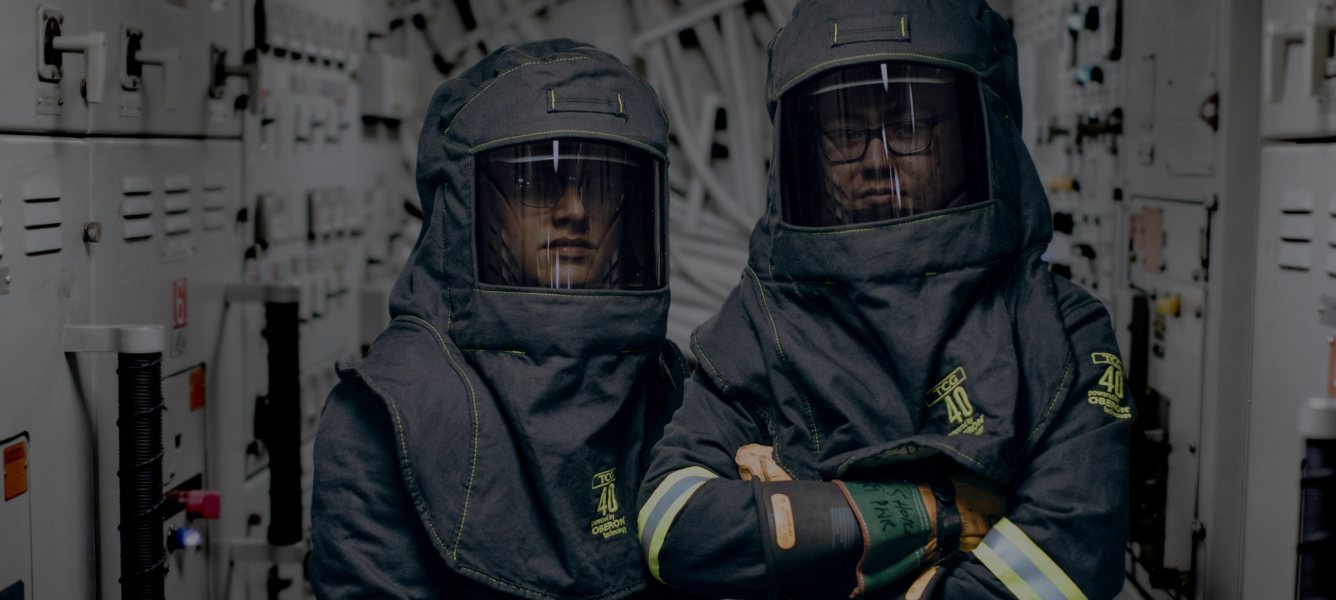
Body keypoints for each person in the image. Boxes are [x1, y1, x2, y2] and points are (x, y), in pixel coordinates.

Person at [637, 1, 1133, 599]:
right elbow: (674, 526)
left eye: (909, 128)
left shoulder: (1060, 332)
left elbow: (1064, 569)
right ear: (807, 152)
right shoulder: (761, 323)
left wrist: (803, 520)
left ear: (976, 134)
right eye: (845, 134)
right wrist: (938, 513)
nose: (876, 162)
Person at [309, 39, 687, 599]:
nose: (576, 209)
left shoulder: (668, 387)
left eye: (600, 184)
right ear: (471, 209)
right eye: (538, 183)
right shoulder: (390, 418)